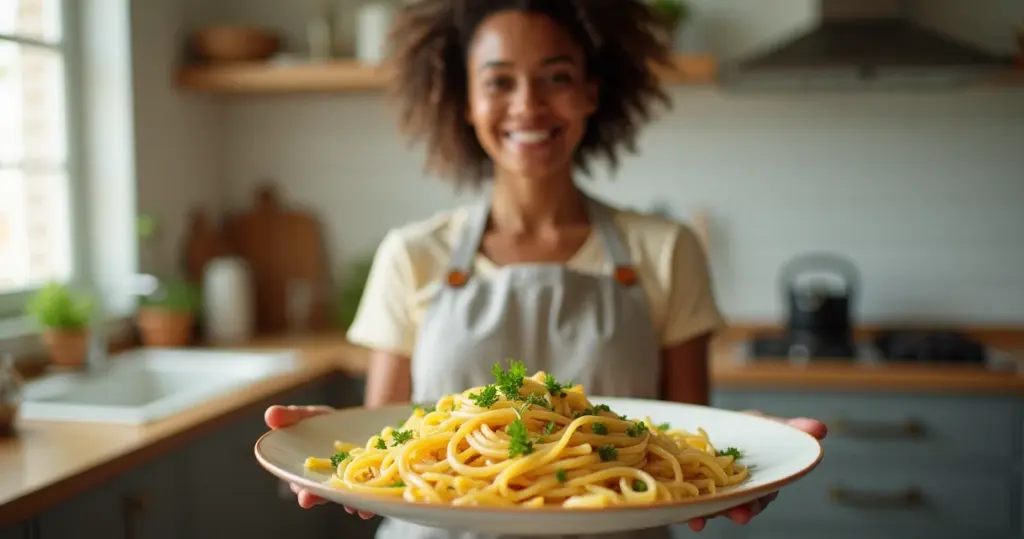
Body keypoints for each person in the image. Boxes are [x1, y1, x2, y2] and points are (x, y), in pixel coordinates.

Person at [264, 1, 827, 538]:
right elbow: (382, 440)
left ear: (590, 92)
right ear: (466, 101)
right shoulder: (411, 253)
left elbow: (685, 439)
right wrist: (327, 450)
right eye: (499, 80)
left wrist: (748, 452)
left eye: (556, 77)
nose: (528, 104)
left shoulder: (666, 249)